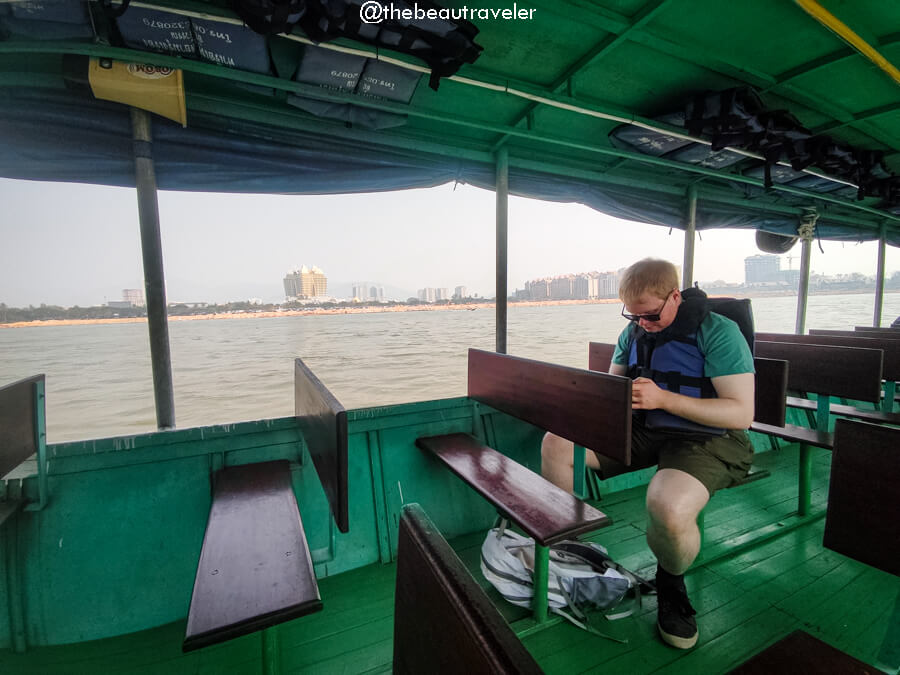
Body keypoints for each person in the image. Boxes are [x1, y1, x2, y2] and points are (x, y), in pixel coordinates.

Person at [541, 258, 755, 650]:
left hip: (710, 437)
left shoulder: (719, 333)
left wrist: (664, 398)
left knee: (667, 506)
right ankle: (568, 554)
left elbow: (741, 413)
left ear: (675, 296)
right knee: (557, 443)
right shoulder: (634, 332)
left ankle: (670, 584)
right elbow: (612, 392)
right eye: (633, 316)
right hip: (648, 428)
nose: (642, 324)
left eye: (650, 316)